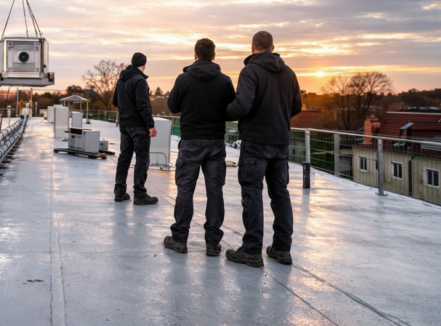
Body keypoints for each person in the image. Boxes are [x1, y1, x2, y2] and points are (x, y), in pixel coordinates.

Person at [225, 31, 302, 268]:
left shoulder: (250, 71)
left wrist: (225, 112)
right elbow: (297, 105)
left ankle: (251, 250)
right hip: (280, 142)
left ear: (253, 47)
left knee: (252, 192)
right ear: (272, 47)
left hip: (256, 142)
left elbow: (242, 105)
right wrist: (278, 118)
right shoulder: (289, 72)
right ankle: (282, 248)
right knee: (280, 193)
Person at [163, 38, 235, 256]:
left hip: (191, 141)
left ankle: (180, 240)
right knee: (215, 191)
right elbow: (231, 110)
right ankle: (212, 243)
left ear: (195, 55)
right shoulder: (225, 81)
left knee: (185, 189)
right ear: (214, 55)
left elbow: (173, 106)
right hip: (215, 142)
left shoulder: (183, 79)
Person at [112, 52, 158, 205]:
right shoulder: (139, 81)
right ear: (143, 65)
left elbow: (115, 101)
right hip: (138, 126)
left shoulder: (122, 80)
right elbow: (143, 105)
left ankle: (119, 192)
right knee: (142, 158)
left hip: (125, 125)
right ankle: (140, 194)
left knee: (124, 157)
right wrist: (150, 125)